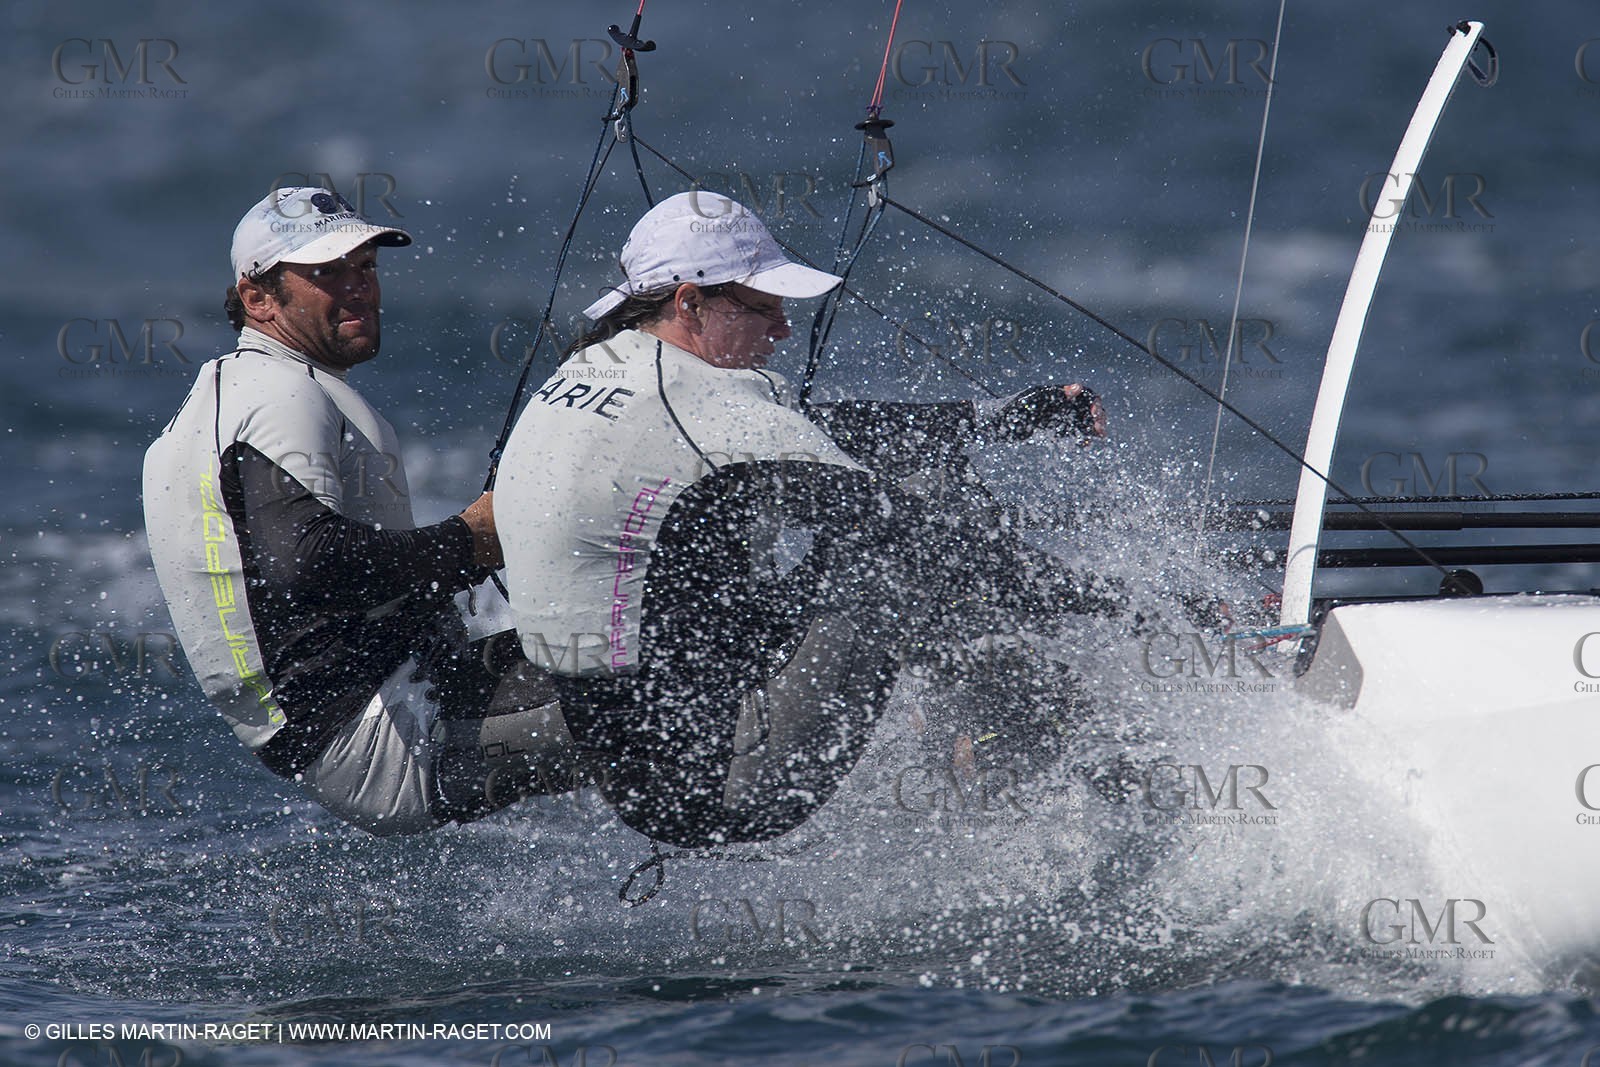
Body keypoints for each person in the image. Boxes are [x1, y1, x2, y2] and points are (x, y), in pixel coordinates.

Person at [495, 191, 1127, 850]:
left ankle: (981, 726)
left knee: (897, 516)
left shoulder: (597, 366)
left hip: (634, 751)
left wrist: (998, 417)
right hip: (719, 781)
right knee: (917, 529)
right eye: (763, 308)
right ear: (689, 302)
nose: (783, 329)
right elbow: (909, 528)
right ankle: (1024, 763)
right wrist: (1129, 606)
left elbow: (816, 431)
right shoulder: (711, 406)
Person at [143, 186, 582, 835]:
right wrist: (471, 540)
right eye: (327, 272)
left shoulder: (226, 397)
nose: (359, 288)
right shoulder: (276, 394)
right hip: (391, 732)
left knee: (631, 639)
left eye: (366, 268)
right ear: (257, 296)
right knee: (656, 673)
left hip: (374, 710)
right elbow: (308, 565)